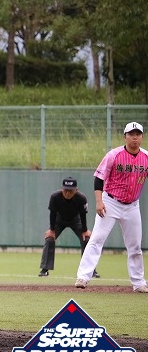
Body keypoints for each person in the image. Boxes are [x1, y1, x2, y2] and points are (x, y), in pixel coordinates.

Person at [75, 121, 148, 293]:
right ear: (125, 137)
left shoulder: (146, 157)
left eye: (138, 134)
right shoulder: (114, 155)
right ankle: (83, 277)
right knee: (97, 239)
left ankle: (139, 283)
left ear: (142, 137)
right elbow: (99, 179)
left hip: (132, 205)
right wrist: (99, 202)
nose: (135, 137)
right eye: (131, 134)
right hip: (111, 202)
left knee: (135, 246)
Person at [38, 177, 94, 277]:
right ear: (62, 189)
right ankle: (44, 269)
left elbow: (83, 215)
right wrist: (52, 230)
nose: (67, 193)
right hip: (59, 220)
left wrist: (85, 230)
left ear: (76, 190)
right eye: (65, 190)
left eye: (70, 191)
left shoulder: (81, 198)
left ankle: (90, 270)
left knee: (86, 239)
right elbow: (52, 214)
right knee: (49, 239)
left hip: (75, 220)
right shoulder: (55, 197)